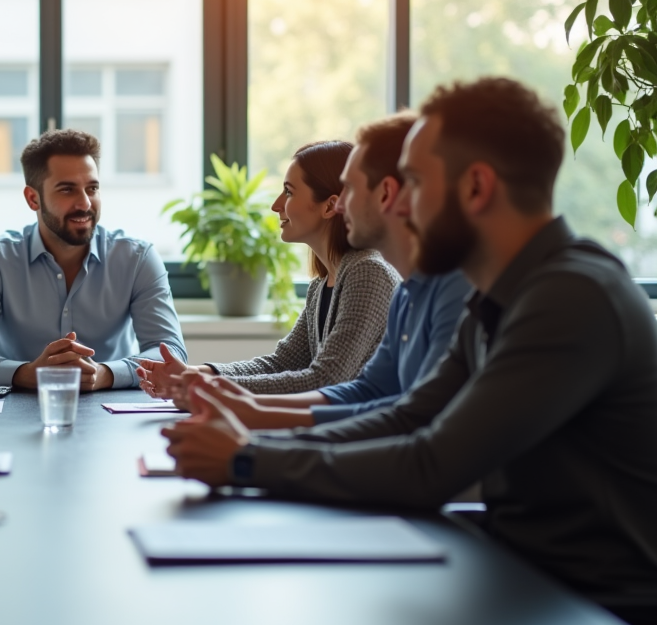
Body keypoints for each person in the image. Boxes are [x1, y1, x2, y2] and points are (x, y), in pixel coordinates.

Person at [163, 77, 657, 625]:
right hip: (518, 572)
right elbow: (407, 414)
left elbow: (432, 462)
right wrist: (249, 443)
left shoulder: (571, 296)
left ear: (476, 188)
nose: (399, 202)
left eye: (416, 182)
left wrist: (247, 460)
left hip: (594, 610)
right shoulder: (499, 296)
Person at [186, 115, 469, 429]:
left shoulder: (379, 275)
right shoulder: (402, 292)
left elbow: (335, 382)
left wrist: (224, 401)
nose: (340, 205)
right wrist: (210, 381)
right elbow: (366, 391)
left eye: (348, 189)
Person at [140, 140, 399, 401]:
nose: (276, 205)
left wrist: (203, 389)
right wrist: (195, 374)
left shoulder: (367, 273)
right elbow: (281, 364)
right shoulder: (321, 286)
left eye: (288, 192)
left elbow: (326, 379)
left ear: (330, 206)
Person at [0, 129, 186, 390]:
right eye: (67, 190)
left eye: (92, 188)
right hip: (20, 408)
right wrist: (27, 373)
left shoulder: (137, 259)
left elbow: (170, 354)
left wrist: (104, 374)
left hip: (115, 408)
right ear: (33, 198)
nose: (84, 203)